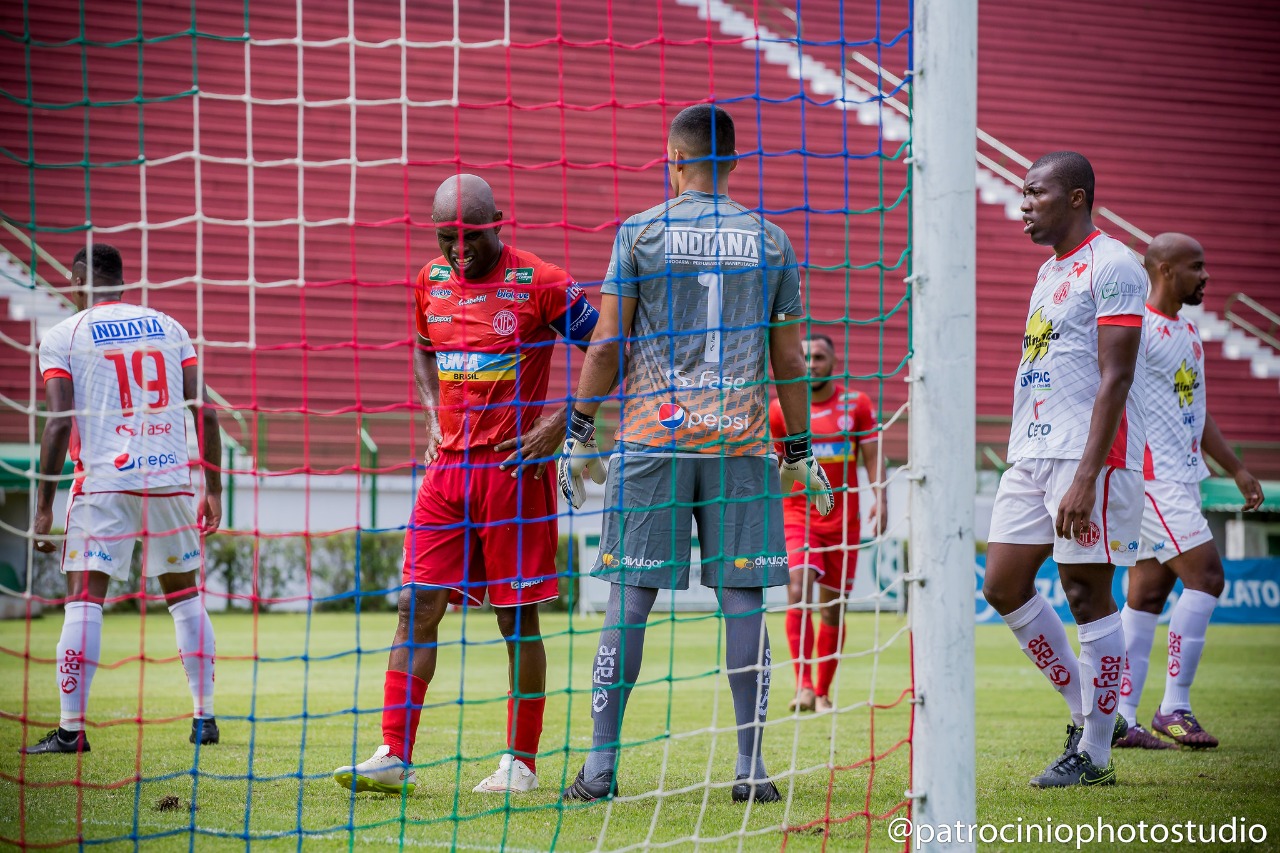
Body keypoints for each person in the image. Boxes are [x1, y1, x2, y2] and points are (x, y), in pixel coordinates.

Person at [557, 103, 833, 804]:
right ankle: (750, 767)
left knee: (629, 601)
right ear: (734, 163)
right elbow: (789, 357)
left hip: (655, 439)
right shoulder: (769, 240)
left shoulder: (640, 232)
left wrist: (580, 430)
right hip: (739, 441)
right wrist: (799, 448)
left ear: (672, 159)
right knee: (744, 603)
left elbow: (608, 345)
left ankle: (599, 768)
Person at [333, 174, 600, 797]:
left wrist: (563, 424)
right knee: (415, 606)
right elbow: (424, 351)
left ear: (498, 222)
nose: (459, 249)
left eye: (471, 236)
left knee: (516, 618)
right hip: (446, 472)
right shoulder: (430, 280)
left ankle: (520, 763)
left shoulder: (543, 282)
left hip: (511, 472)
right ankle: (392, 754)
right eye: (447, 237)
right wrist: (431, 413)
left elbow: (612, 344)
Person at [981, 151, 1148, 787]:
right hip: (1031, 454)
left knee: (1084, 590)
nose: (1024, 204)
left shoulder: (1115, 266)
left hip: (1089, 457)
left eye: (1035, 192)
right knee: (1002, 583)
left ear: (1076, 197)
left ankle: (1096, 753)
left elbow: (1117, 375)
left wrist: (1085, 474)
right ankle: (1089, 713)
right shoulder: (1049, 273)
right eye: (1023, 194)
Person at [25, 244, 223, 755]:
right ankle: (204, 719)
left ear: (75, 281)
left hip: (104, 483)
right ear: (122, 279)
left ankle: (71, 731)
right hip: (170, 479)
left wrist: (44, 506)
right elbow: (206, 411)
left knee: (84, 600)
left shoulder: (64, 334)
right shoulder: (168, 326)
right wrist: (214, 488)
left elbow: (59, 423)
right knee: (185, 599)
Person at [1114, 233, 1264, 751]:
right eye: (1196, 268)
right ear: (1164, 271)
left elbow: (1196, 414)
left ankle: (1121, 718)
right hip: (1154, 480)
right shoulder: (1139, 329)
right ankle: (1174, 706)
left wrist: (1237, 470)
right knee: (1208, 577)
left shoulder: (1190, 332)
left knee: (1148, 595)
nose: (1206, 277)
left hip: (1181, 478)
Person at [768, 334, 883, 714]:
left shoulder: (857, 404)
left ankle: (822, 692)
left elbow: (872, 456)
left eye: (819, 357)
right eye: (805, 357)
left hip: (843, 523)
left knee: (832, 609)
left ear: (833, 362)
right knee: (798, 588)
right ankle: (802, 686)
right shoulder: (780, 410)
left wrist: (880, 498)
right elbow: (777, 469)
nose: (812, 363)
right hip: (798, 515)